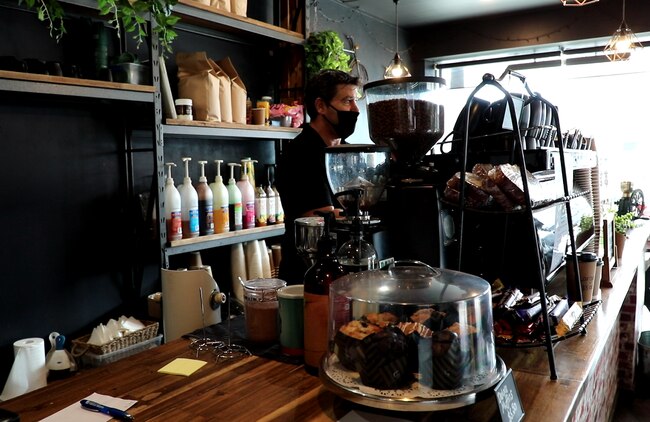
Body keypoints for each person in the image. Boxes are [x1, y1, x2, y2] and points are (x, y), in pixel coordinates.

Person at [276, 69, 361, 284]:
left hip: (349, 266)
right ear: (321, 106)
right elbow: (319, 217)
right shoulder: (300, 153)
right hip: (311, 271)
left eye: (355, 101)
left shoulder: (348, 153)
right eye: (347, 101)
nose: (355, 110)